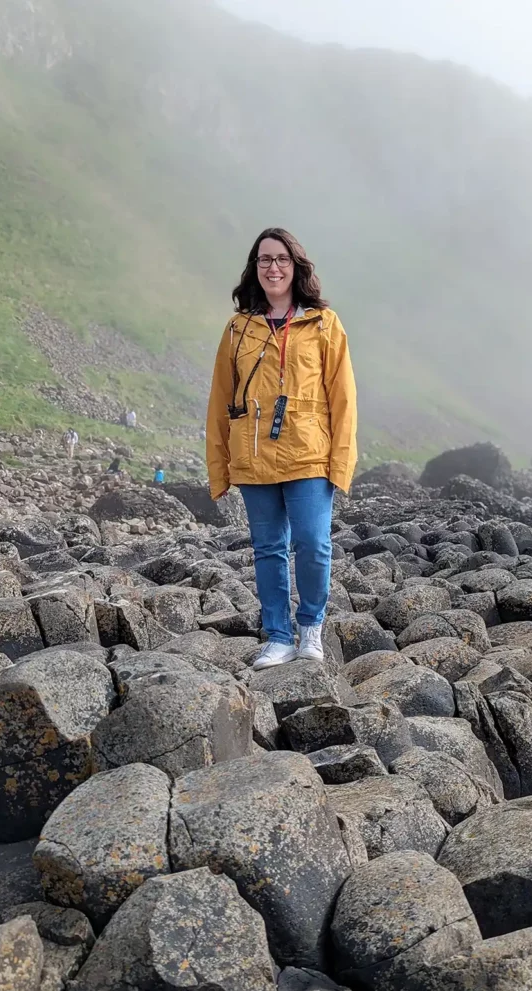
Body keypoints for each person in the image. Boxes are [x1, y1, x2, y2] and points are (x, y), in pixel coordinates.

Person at [206, 227, 357, 671]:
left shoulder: (324, 324)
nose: (273, 268)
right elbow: (220, 401)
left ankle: (310, 628)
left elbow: (343, 398)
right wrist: (220, 468)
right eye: (265, 260)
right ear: (255, 269)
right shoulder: (237, 329)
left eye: (282, 260)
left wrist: (341, 463)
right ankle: (277, 635)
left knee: (313, 543)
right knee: (269, 547)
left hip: (309, 453)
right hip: (252, 456)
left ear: (296, 267)